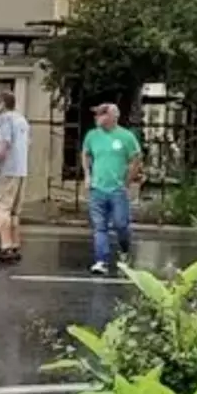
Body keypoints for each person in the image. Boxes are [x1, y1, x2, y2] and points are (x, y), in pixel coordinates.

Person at [82, 103, 142, 275]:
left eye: (102, 114)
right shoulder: (92, 135)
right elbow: (86, 153)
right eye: (97, 114)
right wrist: (87, 174)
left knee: (121, 225)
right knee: (99, 227)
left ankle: (124, 252)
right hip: (97, 188)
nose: (97, 118)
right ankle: (101, 260)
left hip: (117, 189)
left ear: (113, 116)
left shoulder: (126, 136)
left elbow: (136, 158)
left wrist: (127, 180)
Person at [0, 91, 30, 264]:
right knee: (14, 211)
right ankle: (14, 244)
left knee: (2, 208)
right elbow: (28, 143)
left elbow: (4, 145)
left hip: (8, 170)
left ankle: (5, 246)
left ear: (3, 104)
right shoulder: (22, 120)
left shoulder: (4, 119)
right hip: (21, 170)